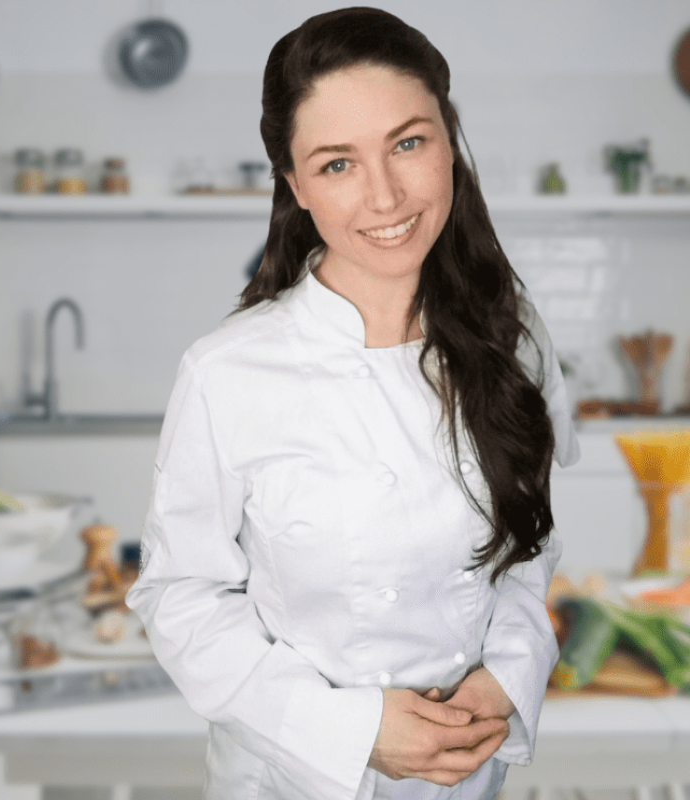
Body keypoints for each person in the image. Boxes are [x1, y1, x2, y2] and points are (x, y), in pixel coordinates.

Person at [126, 7, 580, 800]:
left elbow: (528, 551)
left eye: (409, 142)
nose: (386, 195)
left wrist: (507, 677)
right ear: (296, 185)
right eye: (337, 164)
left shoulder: (517, 343)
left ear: (449, 140)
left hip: (468, 778)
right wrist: (353, 731)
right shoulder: (227, 372)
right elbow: (182, 598)